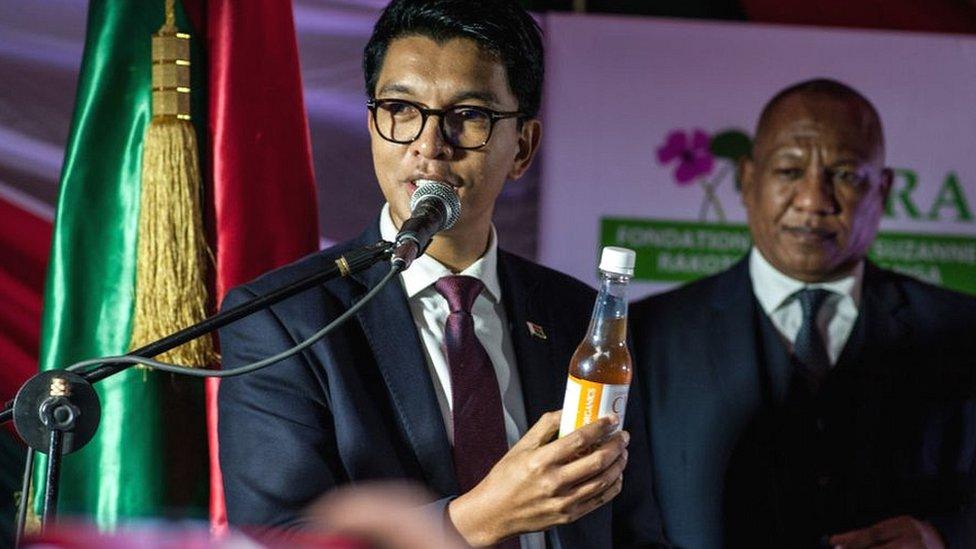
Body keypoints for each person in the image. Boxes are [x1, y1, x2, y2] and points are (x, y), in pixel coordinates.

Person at [217, 1, 666, 547]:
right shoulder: (282, 320)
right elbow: (276, 538)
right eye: (401, 109)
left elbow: (633, 529)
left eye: (469, 116)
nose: (429, 146)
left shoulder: (578, 316)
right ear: (372, 125)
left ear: (522, 146)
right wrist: (480, 518)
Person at [631, 78, 976, 548]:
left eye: (846, 175)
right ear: (748, 179)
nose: (814, 201)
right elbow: (615, 515)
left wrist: (942, 537)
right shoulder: (648, 337)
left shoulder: (962, 331)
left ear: (884, 188)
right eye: (790, 172)